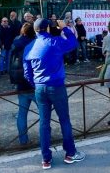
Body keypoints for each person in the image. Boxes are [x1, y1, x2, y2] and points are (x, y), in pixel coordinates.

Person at [23, 18, 85, 169]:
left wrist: (36, 84)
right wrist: (64, 28)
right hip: (56, 86)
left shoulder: (29, 46)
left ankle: (46, 159)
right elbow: (73, 42)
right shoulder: (55, 42)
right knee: (64, 119)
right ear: (49, 29)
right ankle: (70, 153)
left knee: (44, 123)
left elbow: (27, 73)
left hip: (39, 88)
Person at [10, 23, 37, 146]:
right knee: (44, 111)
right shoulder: (35, 43)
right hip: (34, 83)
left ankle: (23, 140)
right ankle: (45, 135)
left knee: (22, 113)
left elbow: (10, 62)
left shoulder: (16, 43)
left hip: (20, 82)